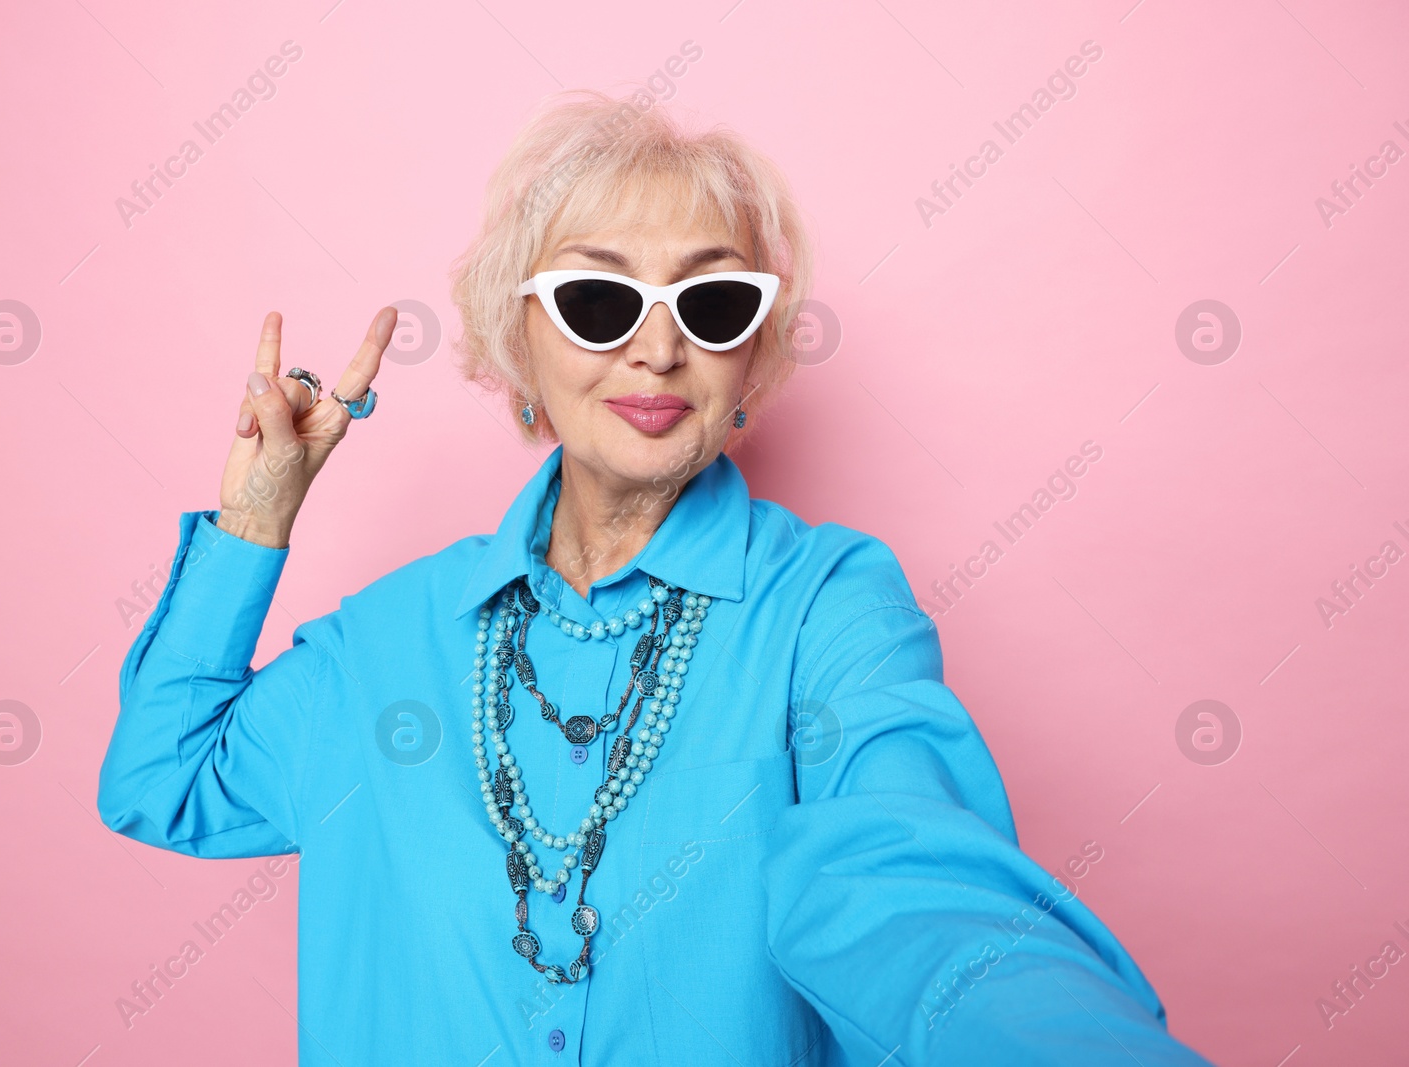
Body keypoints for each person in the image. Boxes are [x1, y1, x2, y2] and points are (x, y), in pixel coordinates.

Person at [97, 89, 1215, 1066]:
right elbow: (165, 777)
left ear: (752, 361)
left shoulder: (825, 607)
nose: (658, 347)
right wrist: (257, 512)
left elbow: (912, 879)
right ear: (517, 339)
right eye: (599, 299)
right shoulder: (385, 638)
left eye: (712, 303)